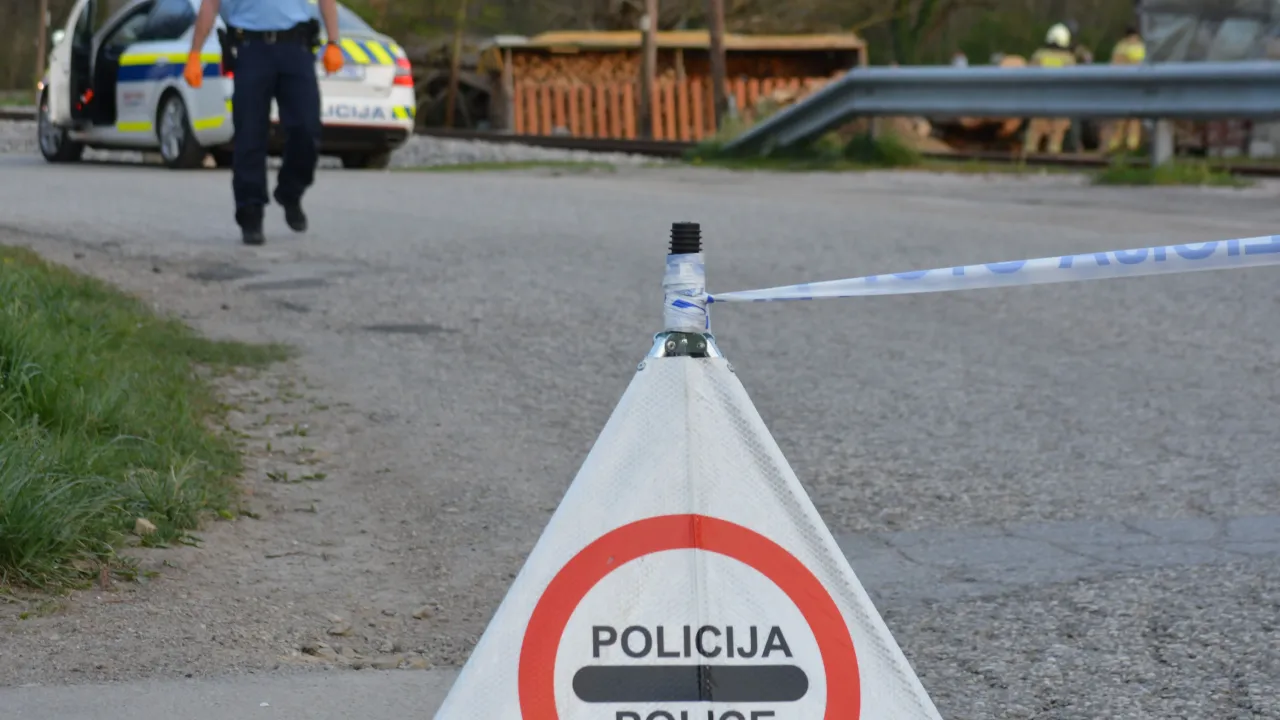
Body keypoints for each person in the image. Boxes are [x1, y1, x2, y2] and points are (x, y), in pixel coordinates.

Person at [183, 0, 345, 245]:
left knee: (306, 128)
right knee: (249, 133)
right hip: (251, 50)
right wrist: (195, 52)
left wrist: (333, 42)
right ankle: (250, 212)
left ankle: (290, 191)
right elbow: (210, 4)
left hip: (295, 48)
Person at [1025, 23, 1077, 155]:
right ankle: (1053, 156)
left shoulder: (1039, 55)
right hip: (1060, 100)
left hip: (1040, 98)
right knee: (1057, 133)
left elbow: (1029, 75)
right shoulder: (1068, 58)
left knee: (1035, 131)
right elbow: (1072, 81)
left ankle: (1028, 156)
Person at [1103, 26, 1146, 153]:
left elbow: (1113, 66)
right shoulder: (1140, 47)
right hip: (1136, 87)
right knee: (1134, 118)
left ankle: (1115, 144)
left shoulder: (1119, 47)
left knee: (1120, 118)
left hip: (1120, 87)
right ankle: (1132, 145)